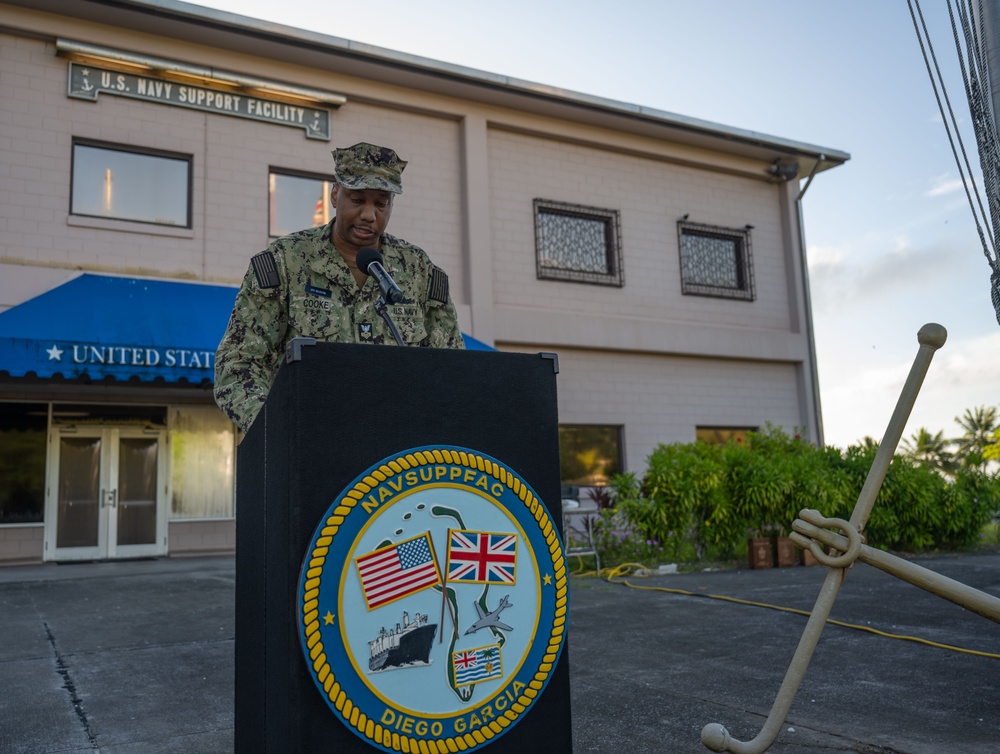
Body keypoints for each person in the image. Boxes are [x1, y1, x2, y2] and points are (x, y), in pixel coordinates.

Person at [214, 142, 465, 433]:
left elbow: (452, 372)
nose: (369, 215)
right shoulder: (285, 262)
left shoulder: (419, 271)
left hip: (399, 454)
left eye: (381, 204)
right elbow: (238, 364)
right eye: (358, 200)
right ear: (335, 195)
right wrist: (281, 430)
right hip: (309, 445)